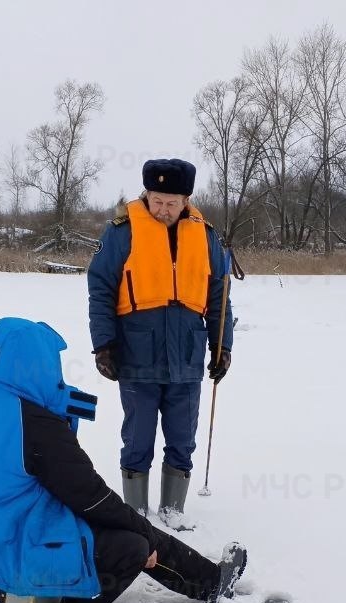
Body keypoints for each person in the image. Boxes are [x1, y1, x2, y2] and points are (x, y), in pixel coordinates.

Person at [0, 316, 248, 603]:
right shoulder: (37, 427)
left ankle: (207, 580)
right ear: (38, 365)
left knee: (130, 531)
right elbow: (90, 496)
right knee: (133, 545)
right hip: (20, 551)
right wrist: (145, 534)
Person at [87, 157, 235, 529]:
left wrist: (223, 346)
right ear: (146, 194)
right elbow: (100, 289)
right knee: (138, 438)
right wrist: (104, 344)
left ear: (186, 199)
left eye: (172, 202)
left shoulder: (205, 235)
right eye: (157, 201)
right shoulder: (122, 232)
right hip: (136, 353)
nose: (163, 210)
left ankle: (172, 512)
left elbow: (219, 294)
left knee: (182, 438)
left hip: (187, 353)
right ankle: (135, 513)